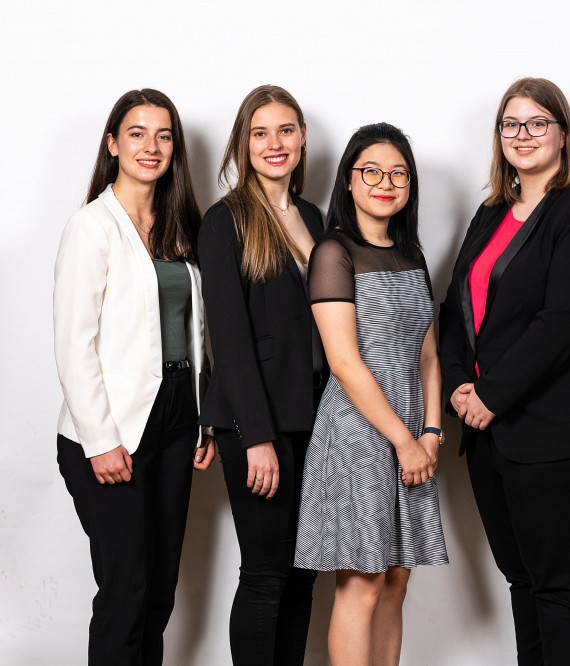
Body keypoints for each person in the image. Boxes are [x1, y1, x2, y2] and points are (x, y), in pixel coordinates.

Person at [438, 77, 570, 666]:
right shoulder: (492, 211)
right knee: (523, 580)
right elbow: (455, 310)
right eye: (511, 124)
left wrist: (490, 393)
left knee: (560, 582)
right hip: (492, 435)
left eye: (538, 122)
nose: (523, 135)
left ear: (563, 135)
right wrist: (458, 389)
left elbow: (565, 321)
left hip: (560, 432)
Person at [54, 88, 214, 665]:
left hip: (175, 419)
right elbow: (74, 345)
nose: (152, 146)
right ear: (113, 144)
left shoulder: (179, 227)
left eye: (164, 135)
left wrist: (204, 421)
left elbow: (195, 335)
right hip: (110, 429)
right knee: (127, 588)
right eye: (138, 133)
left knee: (160, 588)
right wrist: (101, 441)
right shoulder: (92, 227)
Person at [295, 122, 448, 666]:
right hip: (358, 432)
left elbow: (430, 354)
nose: (386, 182)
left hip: (411, 429)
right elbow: (343, 361)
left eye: (399, 173)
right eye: (372, 171)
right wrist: (404, 441)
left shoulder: (412, 255)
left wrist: (430, 431)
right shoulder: (334, 252)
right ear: (350, 182)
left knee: (397, 579)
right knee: (362, 580)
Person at [198, 84, 325, 666]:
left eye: (286, 130)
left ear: (301, 139)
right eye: (260, 132)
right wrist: (256, 439)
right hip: (257, 424)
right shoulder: (224, 221)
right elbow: (228, 339)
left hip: (314, 418)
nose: (274, 144)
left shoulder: (315, 217)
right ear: (243, 144)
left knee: (303, 575)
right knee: (267, 573)